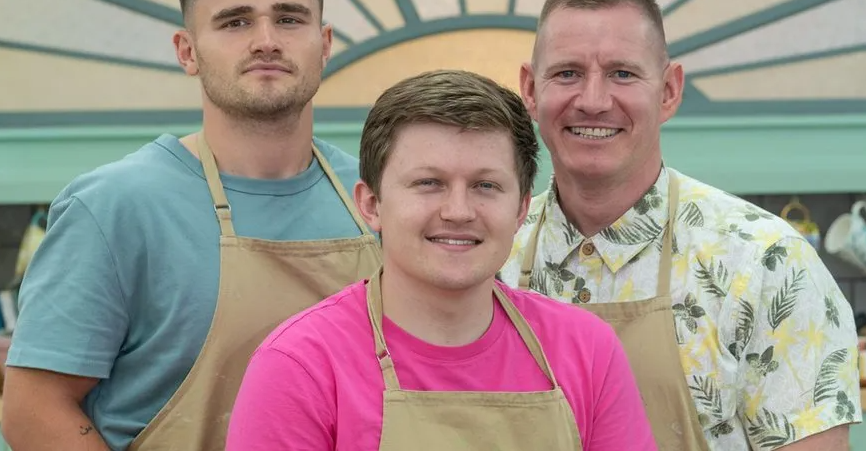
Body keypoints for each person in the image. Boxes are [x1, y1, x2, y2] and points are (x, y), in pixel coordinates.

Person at [1, 0, 381, 450]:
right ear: (186, 51)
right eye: (235, 22)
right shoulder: (114, 207)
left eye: (289, 18)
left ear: (324, 43)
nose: (266, 41)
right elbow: (32, 407)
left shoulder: (377, 197)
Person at [499, 0, 862, 451]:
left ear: (668, 90)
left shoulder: (767, 263)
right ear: (530, 89)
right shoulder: (491, 256)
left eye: (622, 73)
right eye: (567, 73)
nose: (592, 100)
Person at [224, 70, 658, 451]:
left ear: (521, 208)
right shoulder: (300, 367)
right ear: (372, 204)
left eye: (486, 186)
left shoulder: (586, 352)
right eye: (429, 182)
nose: (458, 211)